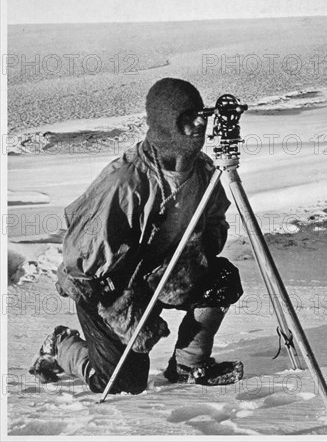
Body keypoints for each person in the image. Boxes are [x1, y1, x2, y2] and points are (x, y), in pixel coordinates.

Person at [29, 78, 244, 394]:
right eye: (187, 118)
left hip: (163, 273)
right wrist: (121, 304)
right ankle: (63, 346)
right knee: (123, 384)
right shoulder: (126, 181)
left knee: (221, 278)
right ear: (166, 125)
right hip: (109, 288)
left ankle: (188, 364)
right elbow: (81, 257)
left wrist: (195, 253)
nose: (200, 122)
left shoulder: (203, 171)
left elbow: (215, 221)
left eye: (200, 113)